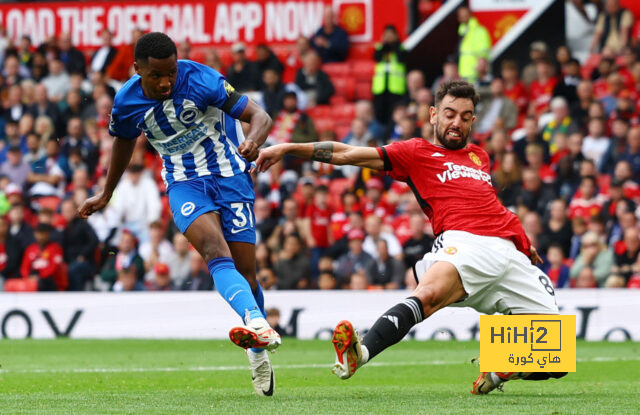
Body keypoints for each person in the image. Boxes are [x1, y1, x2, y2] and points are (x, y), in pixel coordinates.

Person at [256, 80, 566, 394]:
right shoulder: (416, 152)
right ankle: (358, 355)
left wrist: (524, 242)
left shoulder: (479, 157)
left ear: (473, 120)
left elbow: (490, 205)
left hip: (511, 254)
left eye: (464, 116)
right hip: (466, 243)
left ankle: (497, 371)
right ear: (433, 115)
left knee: (556, 358)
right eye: (449, 114)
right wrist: (289, 148)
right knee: (428, 297)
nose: (456, 122)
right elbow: (348, 153)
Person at [77, 32, 280, 397]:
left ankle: (257, 350)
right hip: (184, 182)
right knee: (215, 252)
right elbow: (124, 142)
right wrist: (107, 192)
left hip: (230, 176)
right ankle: (255, 323)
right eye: (156, 75)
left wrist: (254, 139)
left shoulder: (202, 79)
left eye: (170, 72)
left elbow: (259, 115)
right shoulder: (126, 102)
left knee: (247, 273)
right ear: (137, 69)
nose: (166, 81)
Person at [372, 24, 407, 125]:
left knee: (394, 116)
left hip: (396, 89)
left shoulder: (401, 48)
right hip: (380, 89)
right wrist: (385, 44)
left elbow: (402, 58)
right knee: (380, 115)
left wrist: (394, 44)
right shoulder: (380, 47)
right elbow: (376, 57)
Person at [456, 6, 491, 83]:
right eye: (461, 16)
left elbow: (483, 54)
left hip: (476, 76)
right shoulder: (462, 31)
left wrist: (480, 73)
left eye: (465, 15)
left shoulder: (480, 31)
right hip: (463, 75)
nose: (463, 17)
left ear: (471, 15)